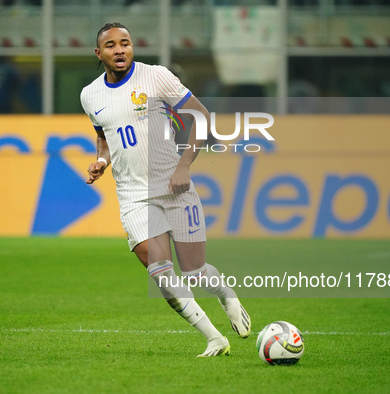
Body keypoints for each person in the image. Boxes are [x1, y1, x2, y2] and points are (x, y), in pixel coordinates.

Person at [80, 22, 251, 357]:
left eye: (125, 43)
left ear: (133, 47)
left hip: (174, 187)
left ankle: (226, 295)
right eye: (111, 45)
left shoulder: (156, 77)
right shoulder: (90, 95)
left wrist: (184, 165)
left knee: (195, 271)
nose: (120, 50)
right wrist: (101, 160)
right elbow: (104, 137)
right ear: (99, 54)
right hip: (132, 195)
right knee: (159, 271)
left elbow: (200, 117)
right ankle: (214, 338)